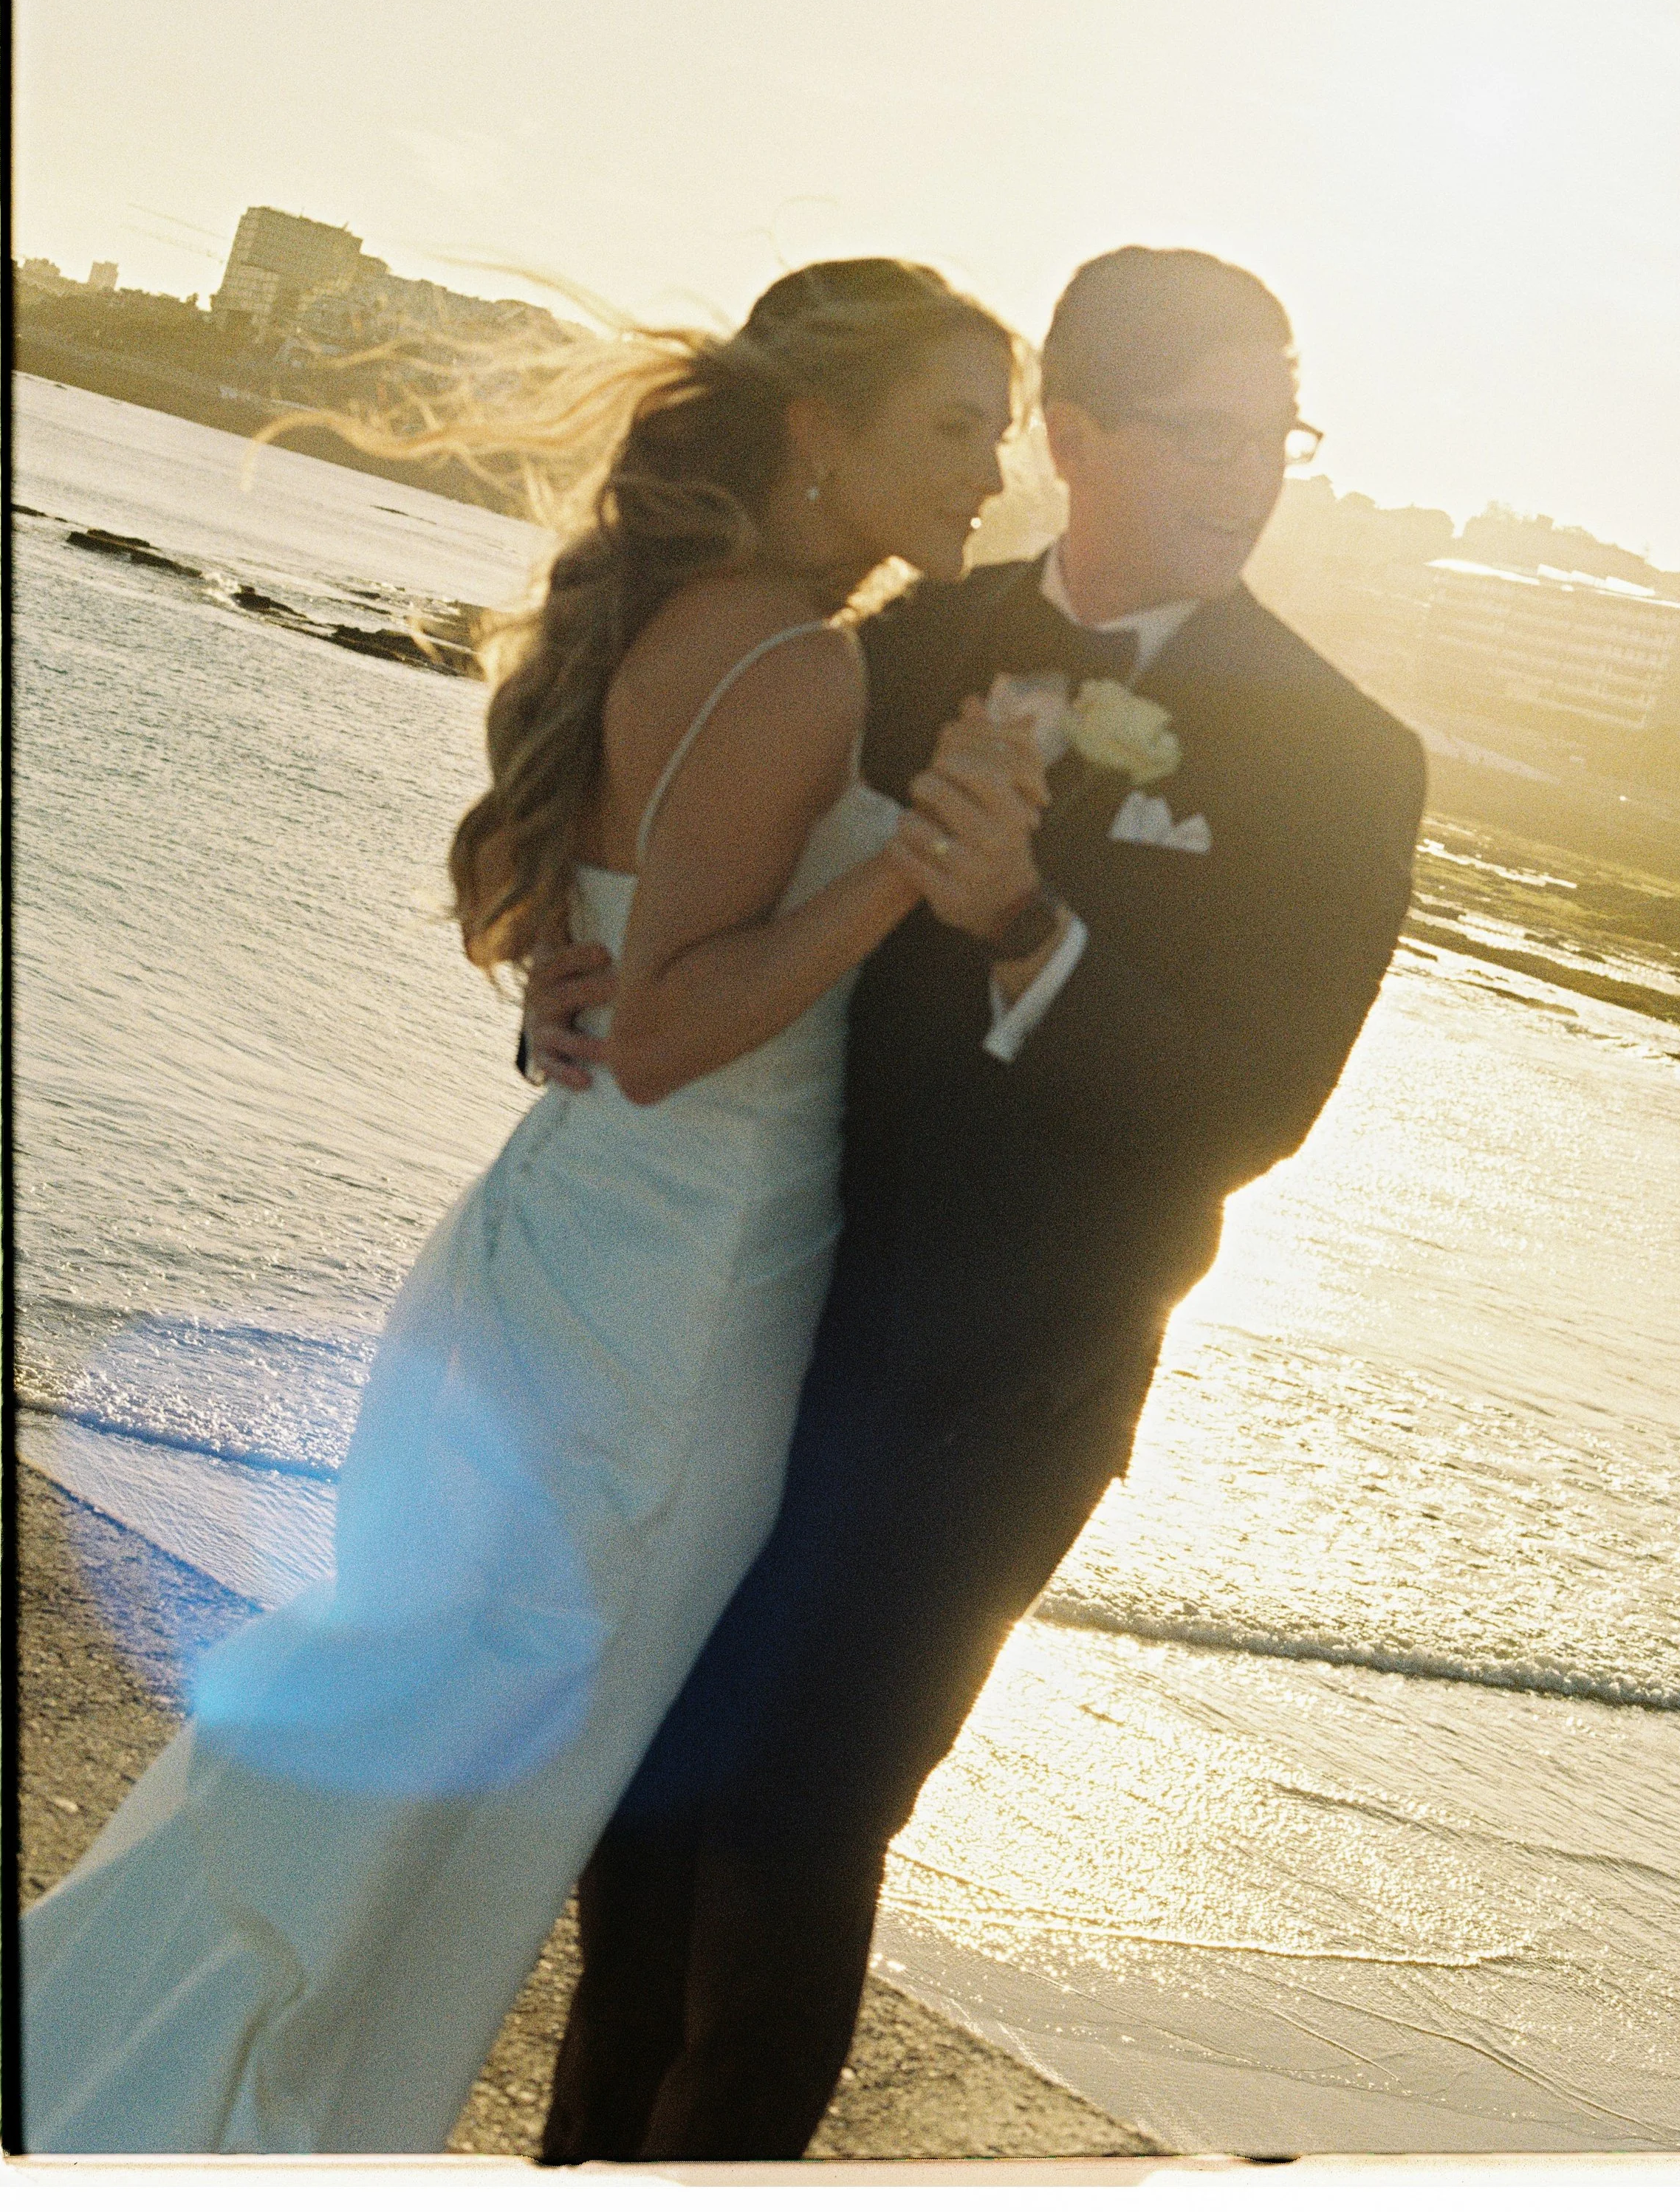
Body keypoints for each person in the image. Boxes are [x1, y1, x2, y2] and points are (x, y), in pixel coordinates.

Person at [18, 258, 1042, 2155]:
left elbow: (602, 965)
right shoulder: (794, 658)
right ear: (816, 432)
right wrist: (913, 868)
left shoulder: (714, 621)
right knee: (436, 1828)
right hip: (656, 1326)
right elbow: (661, 1030)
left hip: (581, 1267)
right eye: (954, 428)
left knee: (408, 1788)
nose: (992, 475)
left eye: (1005, 435)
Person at [529, 246, 1428, 2163]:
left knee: (793, 1821)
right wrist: (584, 947)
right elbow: (707, 874)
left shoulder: (1347, 757)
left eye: (1278, 433)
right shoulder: (901, 642)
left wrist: (1026, 914)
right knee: (645, 1805)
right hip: (744, 1315)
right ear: (1072, 433)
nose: (1248, 471)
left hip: (996, 1392)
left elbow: (1251, 1111)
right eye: (1201, 431)